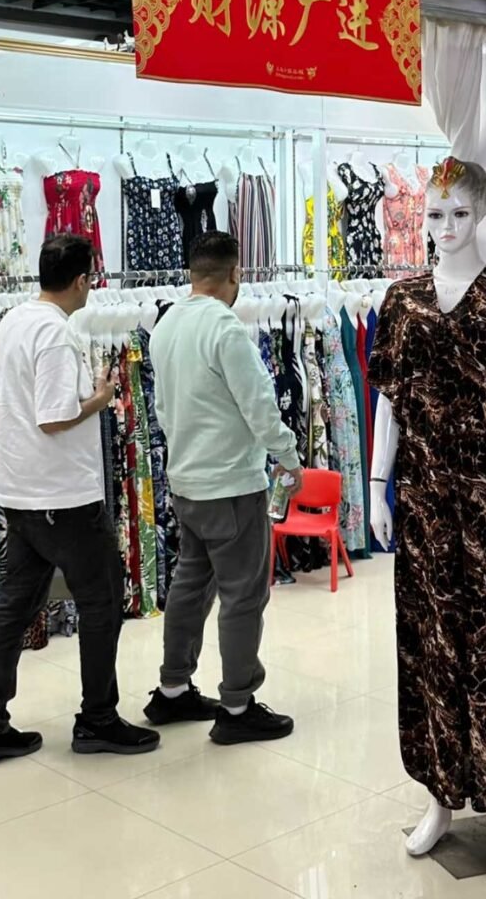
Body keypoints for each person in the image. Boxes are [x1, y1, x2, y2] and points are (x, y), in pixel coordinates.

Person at [0, 233, 160, 767]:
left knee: (15, 606)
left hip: (20, 490)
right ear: (81, 280)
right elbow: (53, 417)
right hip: (60, 496)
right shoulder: (54, 333)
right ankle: (97, 718)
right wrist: (99, 398)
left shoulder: (14, 320)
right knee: (102, 602)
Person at [144, 231, 302, 744]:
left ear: (193, 273)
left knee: (190, 584)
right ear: (235, 274)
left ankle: (172, 689)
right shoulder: (225, 329)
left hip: (187, 482)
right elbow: (259, 405)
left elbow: (162, 409)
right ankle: (237, 705)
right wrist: (288, 456)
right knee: (242, 594)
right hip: (231, 484)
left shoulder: (165, 325)